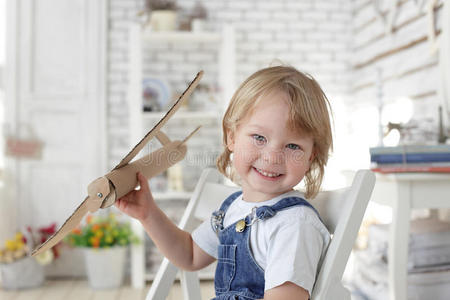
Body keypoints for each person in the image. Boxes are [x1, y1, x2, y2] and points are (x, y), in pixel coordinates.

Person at [115, 65, 333, 300]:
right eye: (259, 138)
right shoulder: (233, 208)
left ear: (311, 156)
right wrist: (148, 214)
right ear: (232, 137)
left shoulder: (293, 225)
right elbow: (189, 254)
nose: (272, 157)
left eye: (293, 146)